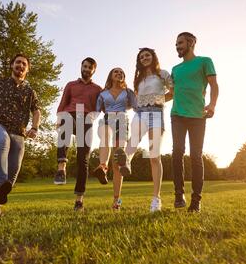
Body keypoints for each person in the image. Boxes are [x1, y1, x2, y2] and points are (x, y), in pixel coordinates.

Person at [0, 53, 41, 216]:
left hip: (19, 131)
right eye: (18, 62)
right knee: (3, 142)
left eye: (24, 64)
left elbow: (36, 111)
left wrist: (34, 128)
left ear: (27, 69)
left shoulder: (30, 91)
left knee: (13, 171)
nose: (20, 65)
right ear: (12, 65)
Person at [116, 48, 174, 212]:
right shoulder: (138, 79)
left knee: (154, 156)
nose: (145, 58)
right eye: (141, 57)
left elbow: (173, 91)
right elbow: (135, 99)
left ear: (153, 57)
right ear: (139, 61)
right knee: (132, 141)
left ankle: (156, 199)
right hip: (140, 113)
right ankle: (125, 161)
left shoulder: (162, 74)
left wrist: (159, 99)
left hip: (156, 113)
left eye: (147, 55)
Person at [171, 32, 219, 213]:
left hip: (198, 116)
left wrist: (212, 105)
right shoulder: (175, 69)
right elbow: (172, 93)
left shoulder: (205, 61)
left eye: (180, 43)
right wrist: (150, 100)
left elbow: (214, 85)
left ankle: (196, 200)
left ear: (191, 43)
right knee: (177, 152)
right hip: (177, 115)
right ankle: (178, 195)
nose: (177, 46)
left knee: (196, 156)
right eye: (176, 44)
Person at [54, 57, 103, 211]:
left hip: (86, 119)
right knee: (66, 119)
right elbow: (63, 102)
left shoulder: (97, 89)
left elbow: (99, 108)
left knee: (83, 160)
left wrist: (92, 116)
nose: (87, 69)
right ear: (81, 67)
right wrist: (58, 117)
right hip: (70, 114)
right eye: (85, 66)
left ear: (94, 70)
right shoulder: (71, 85)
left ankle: (79, 200)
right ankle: (61, 168)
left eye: (90, 68)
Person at [93, 67, 137, 210]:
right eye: (116, 72)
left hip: (122, 121)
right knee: (105, 137)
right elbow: (96, 111)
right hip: (107, 119)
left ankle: (117, 201)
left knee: (118, 161)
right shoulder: (103, 93)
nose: (119, 74)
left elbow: (136, 107)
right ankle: (102, 167)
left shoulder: (128, 92)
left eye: (121, 72)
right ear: (110, 76)